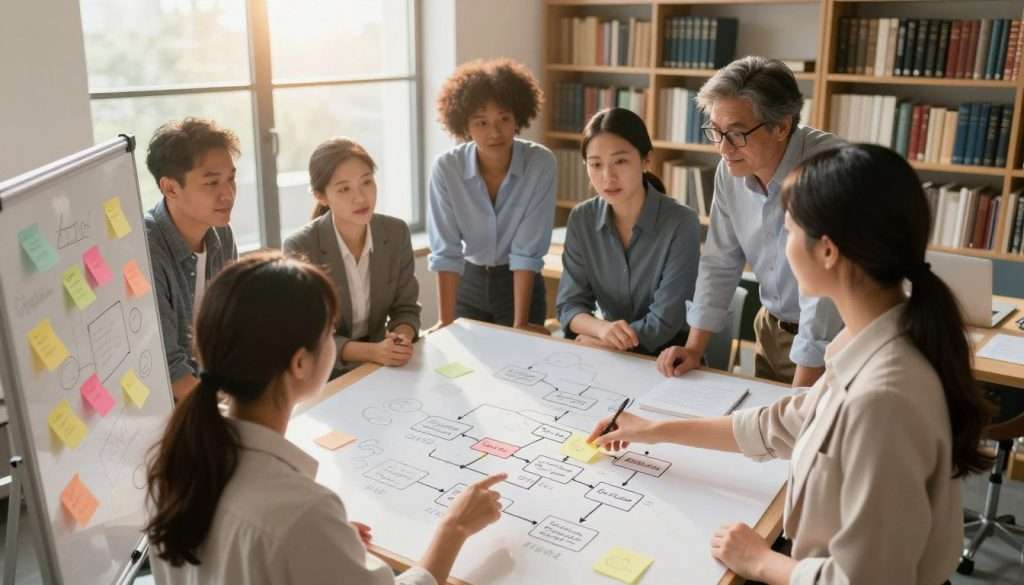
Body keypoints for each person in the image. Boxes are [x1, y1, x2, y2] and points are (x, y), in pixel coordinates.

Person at [590, 144, 993, 585]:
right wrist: (653, 430)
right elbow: (780, 424)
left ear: (827, 251)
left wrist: (760, 560)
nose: (780, 250)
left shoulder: (882, 400)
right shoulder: (866, 337)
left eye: (787, 231)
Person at [145, 252, 506, 585]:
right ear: (300, 363)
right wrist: (454, 528)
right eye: (329, 332)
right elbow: (281, 528)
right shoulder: (301, 514)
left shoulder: (178, 461)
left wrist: (325, 546)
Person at [660, 56, 843, 386]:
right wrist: (694, 348)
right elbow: (720, 260)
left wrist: (801, 392)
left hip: (834, 344)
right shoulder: (730, 172)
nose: (724, 149)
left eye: (737, 134)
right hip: (771, 329)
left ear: (782, 126)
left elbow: (825, 296)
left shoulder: (829, 169)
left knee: (804, 433)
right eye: (715, 132)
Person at [556, 108, 700, 355]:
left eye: (620, 161)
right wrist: (601, 330)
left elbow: (663, 323)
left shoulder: (681, 222)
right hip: (607, 356)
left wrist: (603, 344)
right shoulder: (582, 219)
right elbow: (569, 306)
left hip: (667, 360)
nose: (607, 177)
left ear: (646, 160)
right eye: (596, 164)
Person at [427, 58, 555, 333]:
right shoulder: (447, 168)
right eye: (481, 122)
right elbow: (446, 250)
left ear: (518, 118)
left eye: (504, 119)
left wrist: (521, 323)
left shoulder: (540, 163)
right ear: (464, 125)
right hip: (468, 283)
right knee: (463, 371)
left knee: (518, 368)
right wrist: (446, 323)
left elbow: (526, 251)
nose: (494, 132)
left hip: (519, 285)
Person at [284, 138, 421, 375]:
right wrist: (373, 352)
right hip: (324, 373)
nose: (361, 198)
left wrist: (400, 339)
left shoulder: (396, 232)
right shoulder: (301, 246)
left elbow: (406, 307)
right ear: (321, 196)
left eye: (366, 182)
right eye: (344, 188)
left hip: (383, 364)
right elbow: (309, 335)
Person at [144, 117, 239, 399]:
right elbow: (169, 368)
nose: (228, 194)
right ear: (170, 188)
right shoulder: (145, 250)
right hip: (171, 406)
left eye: (231, 179)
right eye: (211, 183)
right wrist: (225, 410)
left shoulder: (222, 235)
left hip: (211, 386)